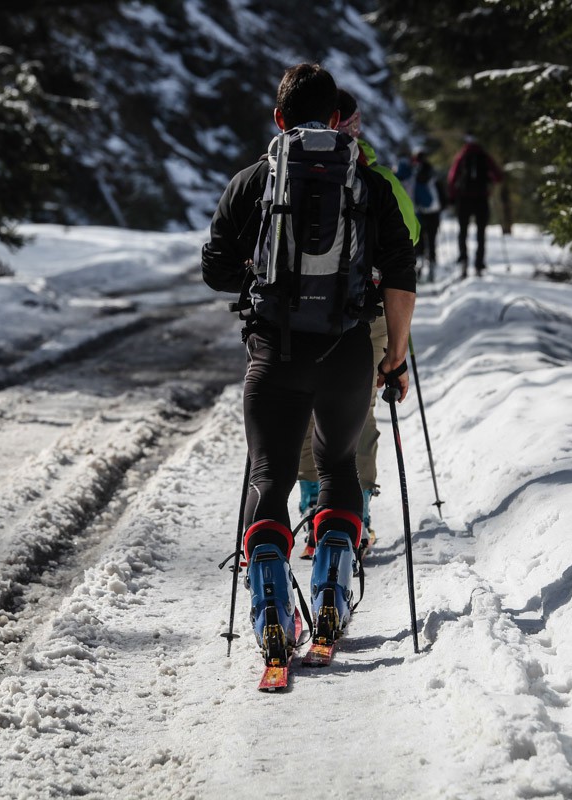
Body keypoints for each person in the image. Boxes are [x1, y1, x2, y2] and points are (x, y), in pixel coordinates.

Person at [202, 64, 416, 665]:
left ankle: (272, 609)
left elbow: (215, 268)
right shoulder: (367, 184)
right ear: (337, 117)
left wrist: (261, 277)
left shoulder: (253, 181)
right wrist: (394, 354)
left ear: (279, 118)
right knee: (338, 467)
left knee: (269, 475)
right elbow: (401, 271)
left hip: (274, 353)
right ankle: (331, 594)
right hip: (347, 351)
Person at [294, 88, 419, 560]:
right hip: (366, 313)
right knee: (357, 413)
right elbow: (408, 241)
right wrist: (399, 349)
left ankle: (313, 509)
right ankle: (356, 517)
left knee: (304, 410)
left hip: (298, 315)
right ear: (349, 124)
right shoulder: (376, 179)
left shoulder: (282, 172)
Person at [447, 134, 503, 277]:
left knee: (463, 231)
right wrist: (489, 180)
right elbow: (498, 176)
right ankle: (479, 264)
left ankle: (463, 261)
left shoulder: (461, 156)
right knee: (481, 233)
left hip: (463, 199)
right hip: (481, 198)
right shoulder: (484, 156)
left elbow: (452, 178)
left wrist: (452, 197)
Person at [411, 150, 443, 282]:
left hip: (418, 213)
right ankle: (432, 269)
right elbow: (440, 191)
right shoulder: (432, 172)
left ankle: (418, 267)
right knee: (432, 241)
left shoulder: (413, 172)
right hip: (434, 212)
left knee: (419, 242)